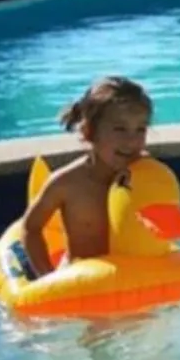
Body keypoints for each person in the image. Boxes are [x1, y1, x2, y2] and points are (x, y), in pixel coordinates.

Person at [15, 75, 156, 279]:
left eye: (140, 129)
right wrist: (47, 279)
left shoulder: (145, 175)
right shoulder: (66, 183)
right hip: (81, 282)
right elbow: (31, 227)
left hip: (130, 280)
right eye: (120, 129)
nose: (131, 140)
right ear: (90, 132)